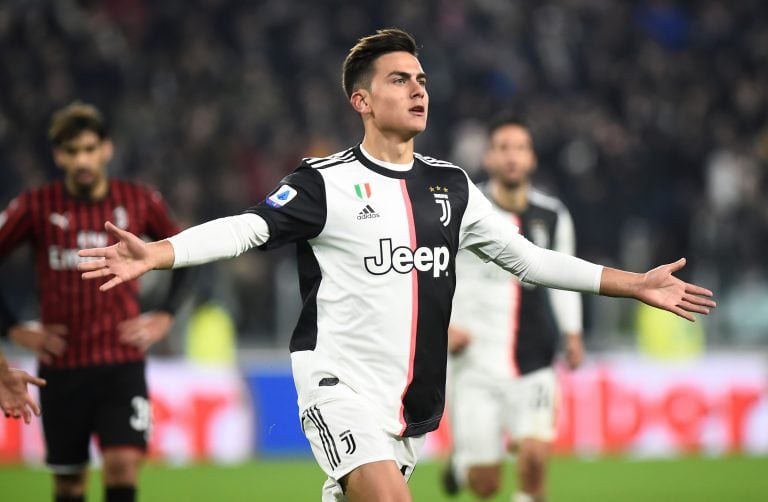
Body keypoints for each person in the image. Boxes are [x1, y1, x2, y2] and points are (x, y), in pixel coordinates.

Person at [77, 29, 714, 502]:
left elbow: (530, 259)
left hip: (406, 402)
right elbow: (250, 228)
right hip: (336, 386)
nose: (418, 90)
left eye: (422, 80)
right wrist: (161, 251)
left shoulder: (453, 188)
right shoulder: (325, 182)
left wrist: (632, 284)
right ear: (361, 100)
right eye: (400, 80)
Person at [0, 102, 192, 502]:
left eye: (89, 149)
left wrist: (165, 316)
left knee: (123, 464)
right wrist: (12, 326)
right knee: (69, 483)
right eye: (71, 152)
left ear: (107, 149)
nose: (82, 160)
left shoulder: (139, 201)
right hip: (62, 368)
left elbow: (186, 252)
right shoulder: (36, 206)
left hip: (121, 362)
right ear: (58, 155)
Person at [442, 116, 584, 501]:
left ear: (532, 159)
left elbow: (565, 275)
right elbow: (437, 273)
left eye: (519, 148)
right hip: (476, 361)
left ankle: (465, 459)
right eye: (502, 148)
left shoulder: (553, 215)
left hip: (535, 357)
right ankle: (462, 459)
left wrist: (572, 332)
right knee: (485, 485)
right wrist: (446, 326)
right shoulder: (464, 212)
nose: (511, 157)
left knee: (535, 460)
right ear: (488, 158)